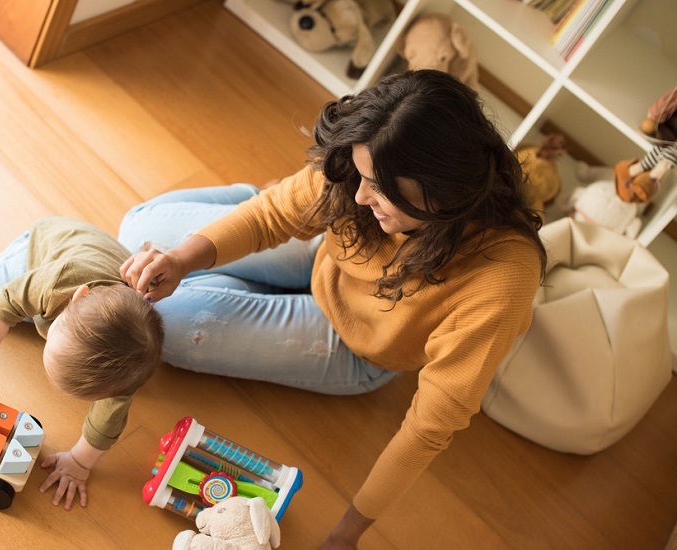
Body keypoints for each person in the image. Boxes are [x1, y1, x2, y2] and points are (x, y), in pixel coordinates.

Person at [118, 69, 547, 548]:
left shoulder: (501, 280)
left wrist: (345, 536)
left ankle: (231, 272)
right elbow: (273, 215)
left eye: (381, 189)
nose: (363, 197)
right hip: (327, 259)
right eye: (361, 178)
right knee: (140, 234)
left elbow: (428, 427)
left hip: (358, 345)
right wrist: (179, 260)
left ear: (444, 190)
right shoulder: (366, 164)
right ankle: (239, 238)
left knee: (165, 326)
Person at [0, 216, 164, 510]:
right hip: (51, 240)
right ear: (77, 297)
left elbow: (105, 425)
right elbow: (1, 305)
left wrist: (80, 463)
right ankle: (23, 252)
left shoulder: (127, 373)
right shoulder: (59, 280)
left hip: (107, 258)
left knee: (23, 312)